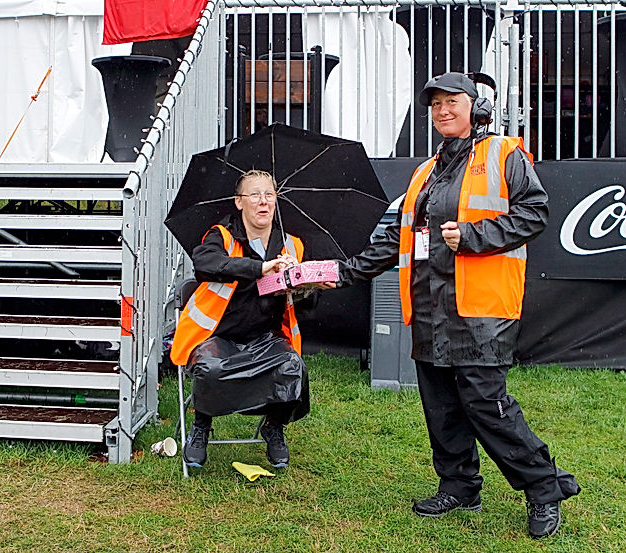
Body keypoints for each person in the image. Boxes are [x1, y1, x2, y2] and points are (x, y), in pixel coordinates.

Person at [334, 72, 580, 539]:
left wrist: (472, 236)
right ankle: (459, 485)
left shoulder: (504, 154)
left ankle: (544, 487)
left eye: (452, 102)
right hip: (429, 305)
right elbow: (397, 239)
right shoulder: (424, 173)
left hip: (482, 309)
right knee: (442, 407)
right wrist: (342, 273)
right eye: (435, 104)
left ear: (475, 107)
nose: (443, 110)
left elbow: (534, 213)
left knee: (487, 405)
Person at [170, 169, 311, 469]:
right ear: (239, 202)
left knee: (293, 368)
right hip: (217, 337)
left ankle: (273, 427)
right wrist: (260, 268)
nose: (263, 201)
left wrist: (302, 286)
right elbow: (205, 264)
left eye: (269, 194)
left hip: (265, 338)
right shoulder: (220, 236)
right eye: (255, 195)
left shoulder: (292, 246)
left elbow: (307, 306)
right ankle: (201, 425)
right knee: (210, 369)